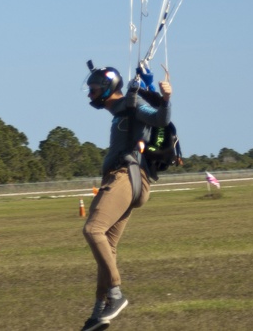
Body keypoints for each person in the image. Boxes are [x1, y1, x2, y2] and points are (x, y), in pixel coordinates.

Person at [81, 61, 172, 331]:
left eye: (94, 90)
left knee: (92, 230)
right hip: (122, 179)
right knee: (107, 245)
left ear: (109, 87)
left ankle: (116, 294)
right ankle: (100, 311)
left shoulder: (131, 104)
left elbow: (160, 119)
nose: (90, 95)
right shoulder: (121, 109)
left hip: (126, 176)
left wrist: (166, 98)